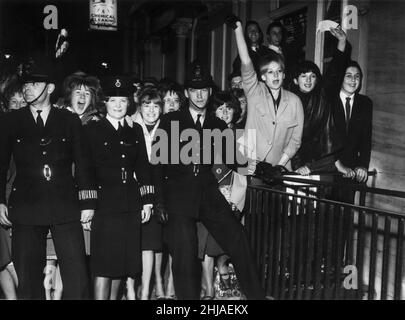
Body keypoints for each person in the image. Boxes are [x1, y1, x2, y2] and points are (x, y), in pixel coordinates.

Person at [152, 61, 264, 300]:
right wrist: (159, 201)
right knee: (185, 253)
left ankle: (256, 297)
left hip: (207, 193)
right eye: (194, 90)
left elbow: (237, 160)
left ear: (210, 92)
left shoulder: (216, 124)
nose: (200, 94)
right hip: (178, 196)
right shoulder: (170, 121)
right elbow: (157, 165)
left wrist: (266, 169)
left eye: (204, 89)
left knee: (238, 237)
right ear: (186, 93)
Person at [0, 56, 97, 299]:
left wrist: (88, 202)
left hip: (65, 206)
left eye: (34, 83)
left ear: (50, 88)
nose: (27, 88)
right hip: (26, 208)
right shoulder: (11, 121)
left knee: (77, 277)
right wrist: (0, 200)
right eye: (25, 84)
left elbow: (84, 163)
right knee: (29, 279)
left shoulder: (69, 120)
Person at [85, 76, 154, 300]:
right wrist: (87, 206)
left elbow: (143, 167)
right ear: (104, 102)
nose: (117, 105)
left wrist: (147, 200)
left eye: (122, 101)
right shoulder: (93, 131)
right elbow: (86, 171)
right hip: (105, 208)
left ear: (128, 104)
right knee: (104, 267)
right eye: (113, 100)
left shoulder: (135, 130)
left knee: (122, 267)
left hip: (130, 206)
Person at [228, 17, 304, 176]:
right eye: (270, 72)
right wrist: (238, 30)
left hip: (280, 169)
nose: (275, 75)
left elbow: (295, 141)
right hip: (250, 167)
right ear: (263, 76)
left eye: (279, 71)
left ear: (284, 75)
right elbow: (246, 61)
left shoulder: (294, 101)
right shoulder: (255, 92)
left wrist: (279, 166)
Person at [291, 26, 349, 175]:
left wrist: (341, 41)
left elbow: (335, 70)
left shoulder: (322, 94)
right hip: (292, 160)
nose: (308, 80)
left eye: (313, 76)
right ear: (296, 80)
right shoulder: (288, 100)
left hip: (319, 161)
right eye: (304, 76)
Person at [132, 87, 165, 300]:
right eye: (147, 105)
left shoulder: (168, 127)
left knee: (154, 240)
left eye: (156, 105)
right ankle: (137, 288)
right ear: (139, 106)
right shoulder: (130, 125)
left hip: (160, 189)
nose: (151, 110)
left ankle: (151, 287)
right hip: (134, 188)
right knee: (138, 241)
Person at [331, 60, 373, 202]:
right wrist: (337, 164)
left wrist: (363, 165)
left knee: (345, 216)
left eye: (357, 76)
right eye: (348, 75)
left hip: (351, 170)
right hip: (328, 167)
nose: (353, 80)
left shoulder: (365, 103)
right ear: (340, 78)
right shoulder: (328, 100)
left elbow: (366, 138)